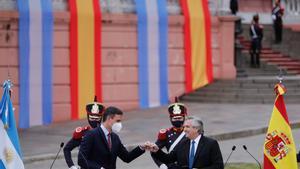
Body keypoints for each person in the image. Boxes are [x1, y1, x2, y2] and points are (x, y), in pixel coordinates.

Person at [78, 106, 149, 169]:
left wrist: (141, 148)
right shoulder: (91, 135)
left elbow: (127, 157)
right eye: (118, 121)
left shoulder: (115, 138)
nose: (119, 124)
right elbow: (81, 160)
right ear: (109, 119)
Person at [151, 116, 224, 169]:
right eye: (184, 127)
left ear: (196, 129)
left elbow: (218, 166)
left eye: (187, 127)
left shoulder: (211, 143)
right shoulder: (182, 143)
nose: (184, 129)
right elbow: (169, 159)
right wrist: (157, 150)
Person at [63, 96, 105, 169]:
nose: (94, 120)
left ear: (101, 118)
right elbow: (67, 149)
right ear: (88, 116)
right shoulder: (82, 133)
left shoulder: (106, 133)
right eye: (92, 118)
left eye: (97, 118)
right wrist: (71, 166)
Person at [151, 97, 187, 169]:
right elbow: (154, 151)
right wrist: (161, 164)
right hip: (173, 166)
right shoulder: (165, 134)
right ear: (171, 119)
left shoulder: (189, 131)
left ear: (184, 118)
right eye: (175, 118)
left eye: (180, 118)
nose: (177, 120)